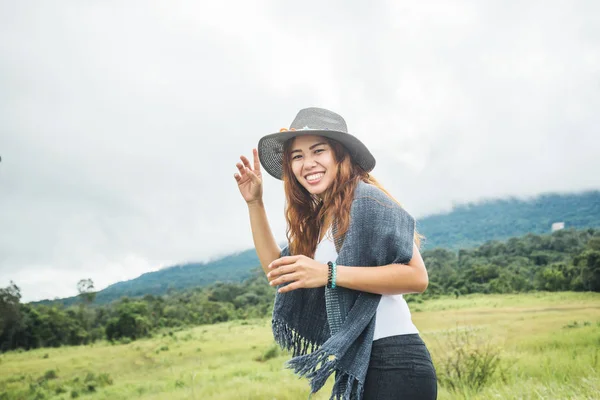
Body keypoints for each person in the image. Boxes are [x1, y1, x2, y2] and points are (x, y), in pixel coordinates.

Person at [234, 107, 437, 400]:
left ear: (340, 155)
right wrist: (255, 203)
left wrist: (328, 274)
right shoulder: (320, 221)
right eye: (297, 156)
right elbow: (279, 271)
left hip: (394, 361)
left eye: (319, 151)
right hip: (360, 365)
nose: (308, 163)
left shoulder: (366, 200)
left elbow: (417, 277)